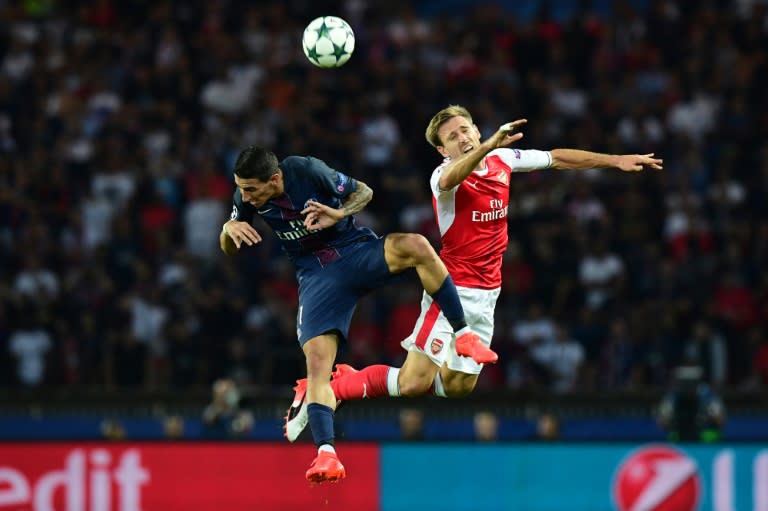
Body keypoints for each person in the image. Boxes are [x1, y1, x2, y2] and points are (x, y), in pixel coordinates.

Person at [284, 105, 662, 441]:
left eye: (465, 130)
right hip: (450, 288)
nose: (462, 138)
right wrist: (487, 146)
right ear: (441, 150)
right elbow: (452, 179)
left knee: (459, 387)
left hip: (488, 292)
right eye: (452, 137)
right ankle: (328, 389)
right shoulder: (443, 177)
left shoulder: (503, 159)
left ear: (476, 129)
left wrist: (615, 160)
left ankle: (345, 379)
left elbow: (556, 158)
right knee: (415, 383)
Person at [221, 146, 487, 483]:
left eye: (251, 190)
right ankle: (326, 455)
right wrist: (228, 229)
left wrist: (337, 213)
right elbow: (230, 243)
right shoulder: (245, 195)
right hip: (318, 275)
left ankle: (462, 332)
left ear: (275, 178)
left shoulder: (307, 170)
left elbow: (364, 192)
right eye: (240, 188)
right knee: (318, 364)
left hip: (356, 250)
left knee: (417, 246)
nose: (245, 196)